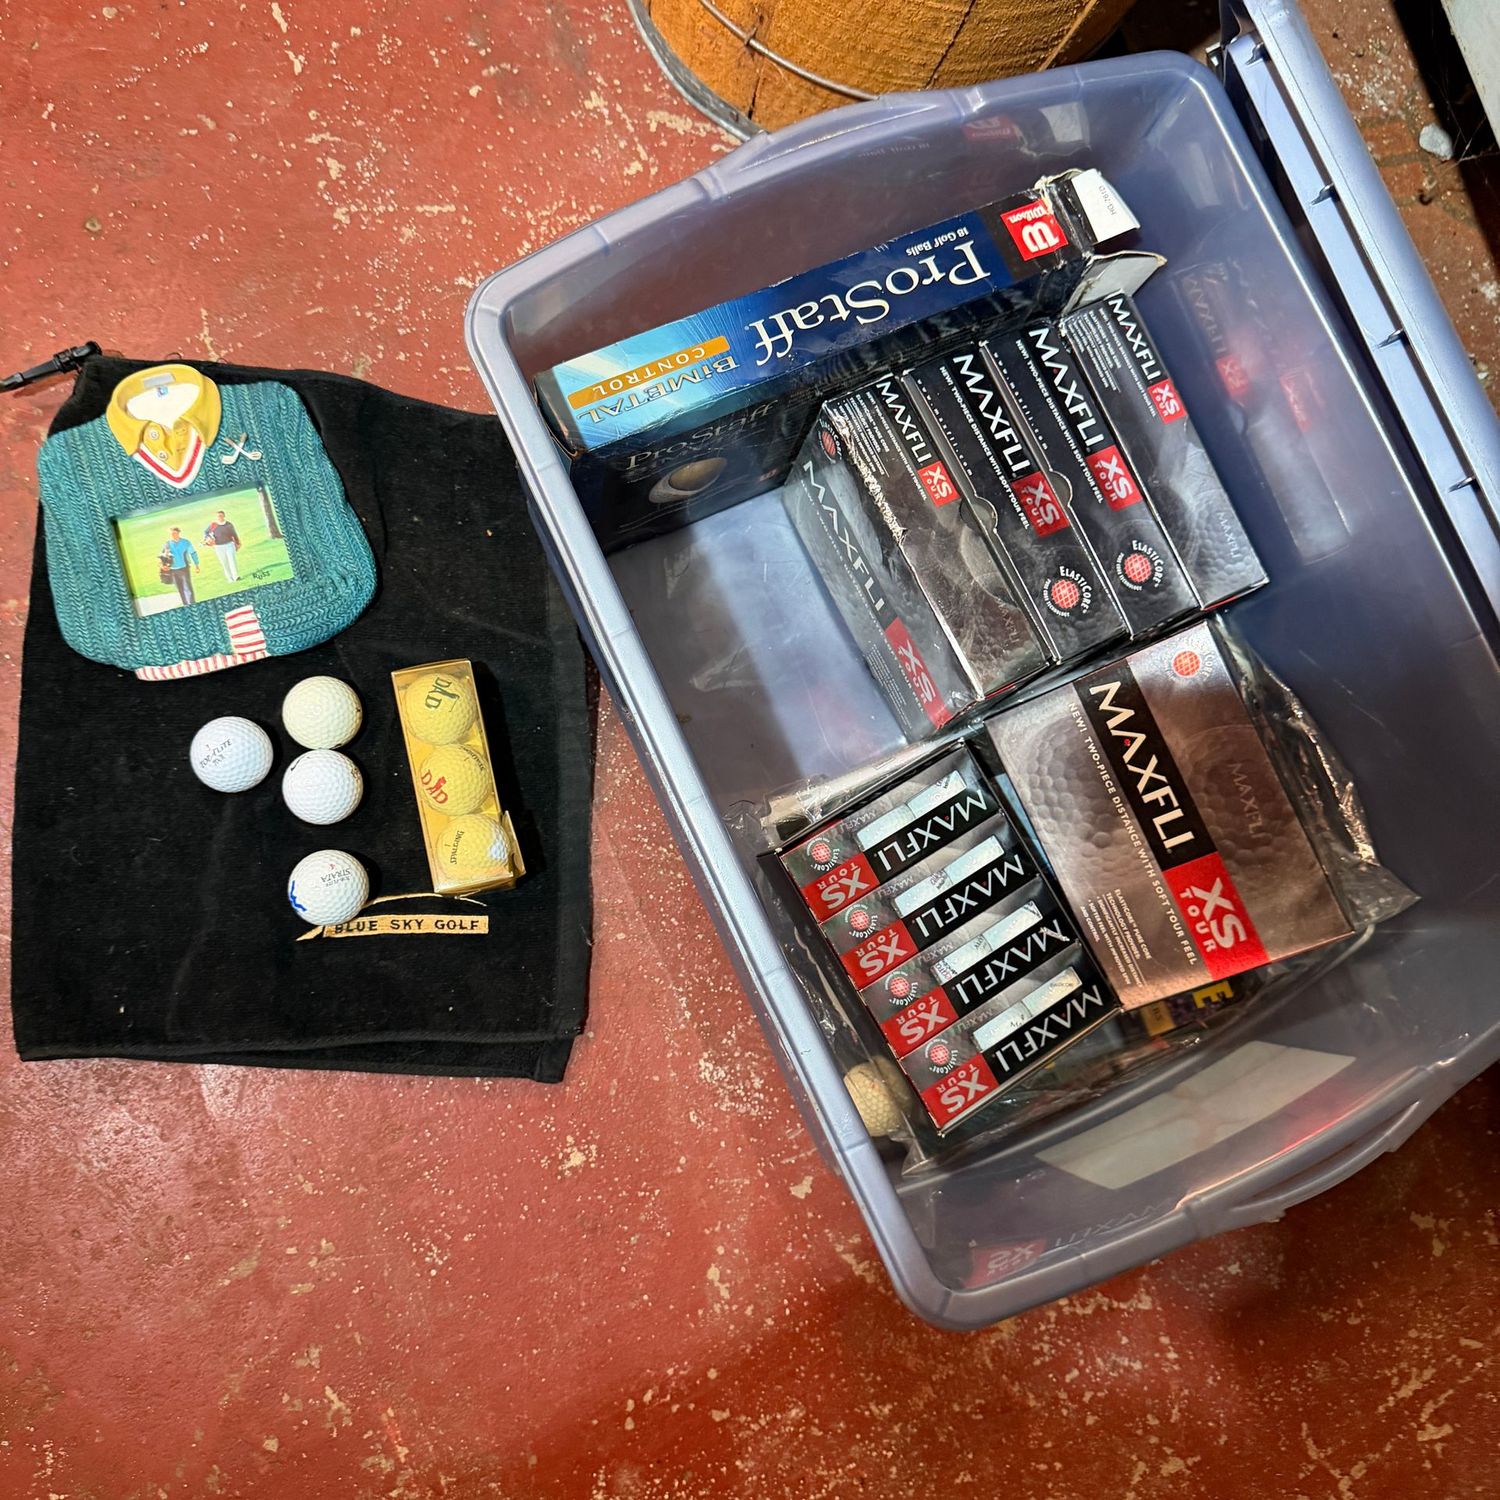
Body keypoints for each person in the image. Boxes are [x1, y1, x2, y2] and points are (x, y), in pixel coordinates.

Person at [160, 526, 200, 607]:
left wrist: (196, 564)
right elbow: (162, 557)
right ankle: (185, 605)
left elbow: (193, 553)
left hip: (184, 568)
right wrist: (163, 566)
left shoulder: (186, 542)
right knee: (180, 589)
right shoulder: (167, 544)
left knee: (188, 588)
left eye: (174, 533)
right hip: (173, 570)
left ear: (178, 533)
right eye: (171, 534)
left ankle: (192, 604)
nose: (173, 535)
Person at [202, 510, 242, 583]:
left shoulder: (229, 525)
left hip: (229, 545)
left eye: (221, 516)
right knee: (224, 563)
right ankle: (229, 578)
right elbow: (206, 532)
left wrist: (238, 543)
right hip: (218, 547)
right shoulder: (213, 525)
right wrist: (208, 538)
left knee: (232, 561)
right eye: (218, 516)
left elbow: (234, 534)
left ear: (224, 516)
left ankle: (236, 576)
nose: (219, 517)